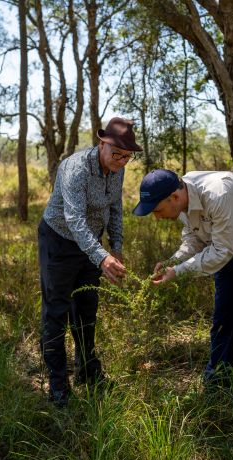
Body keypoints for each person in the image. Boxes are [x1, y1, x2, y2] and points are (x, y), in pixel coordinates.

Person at [133, 169, 233, 405]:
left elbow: (221, 251)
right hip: (227, 250)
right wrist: (173, 262)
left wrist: (177, 272)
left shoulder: (218, 192)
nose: (157, 217)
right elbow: (195, 239)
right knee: (224, 319)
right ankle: (216, 383)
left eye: (157, 210)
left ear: (174, 197)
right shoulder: (183, 200)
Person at [38, 117, 142, 407]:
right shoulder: (77, 168)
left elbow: (116, 207)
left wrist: (116, 246)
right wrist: (101, 257)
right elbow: (74, 219)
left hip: (92, 243)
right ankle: (58, 384)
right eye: (116, 153)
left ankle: (87, 370)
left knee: (86, 307)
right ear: (102, 143)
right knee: (56, 311)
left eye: (127, 156)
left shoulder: (117, 170)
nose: (121, 160)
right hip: (59, 240)